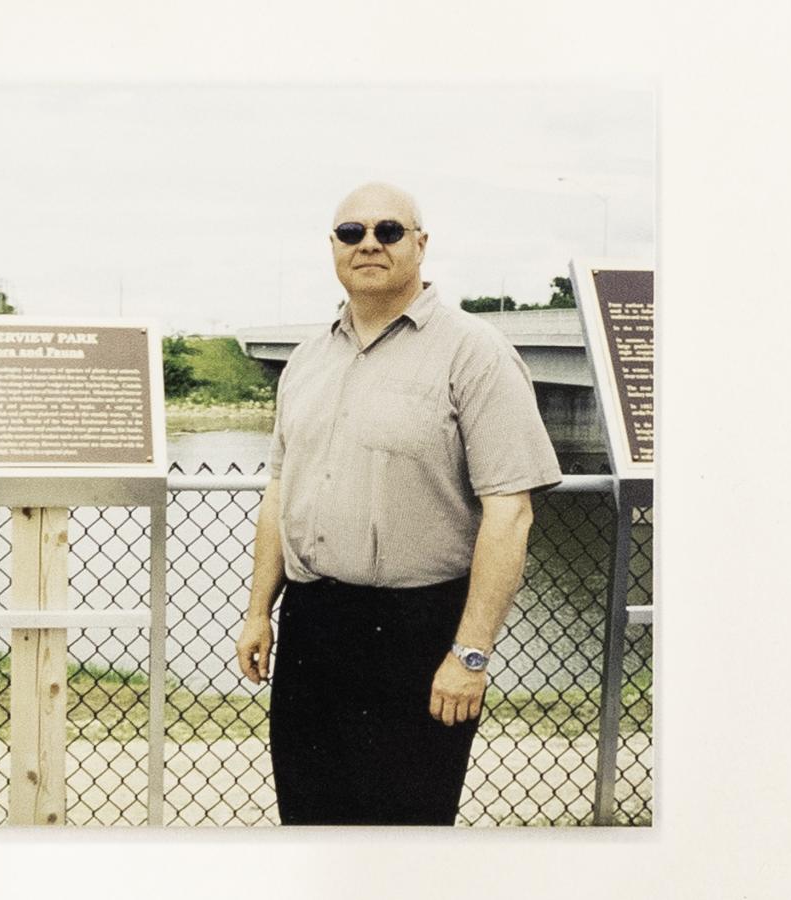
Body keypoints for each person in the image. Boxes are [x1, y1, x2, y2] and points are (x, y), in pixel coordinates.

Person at [235, 182, 562, 825]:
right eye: (350, 233)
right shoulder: (306, 359)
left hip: (420, 631)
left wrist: (469, 655)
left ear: (420, 243)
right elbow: (280, 490)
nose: (369, 244)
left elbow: (510, 512)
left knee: (406, 833)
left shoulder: (475, 353)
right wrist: (258, 612)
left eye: (388, 230)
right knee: (309, 819)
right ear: (332, 247)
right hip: (313, 626)